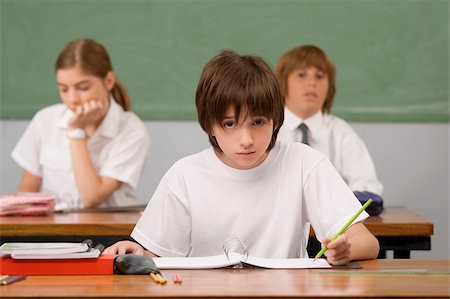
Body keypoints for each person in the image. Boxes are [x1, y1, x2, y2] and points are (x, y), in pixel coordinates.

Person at [105, 50, 379, 265]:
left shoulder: (304, 163)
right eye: (229, 124)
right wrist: (138, 252)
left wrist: (346, 250)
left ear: (276, 119)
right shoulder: (185, 175)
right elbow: (157, 256)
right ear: (209, 125)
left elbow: (368, 243)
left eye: (258, 122)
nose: (246, 139)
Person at [11, 38, 150, 210]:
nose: (73, 99)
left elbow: (91, 198)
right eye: (64, 89)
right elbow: (26, 193)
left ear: (108, 81)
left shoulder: (132, 130)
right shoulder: (45, 120)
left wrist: (76, 132)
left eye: (83, 88)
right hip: (53, 231)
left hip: (108, 232)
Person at [275, 45, 383, 201]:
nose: (312, 83)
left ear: (329, 88)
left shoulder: (341, 133)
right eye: (302, 75)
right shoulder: (267, 127)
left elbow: (368, 188)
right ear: (282, 82)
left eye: (319, 76)